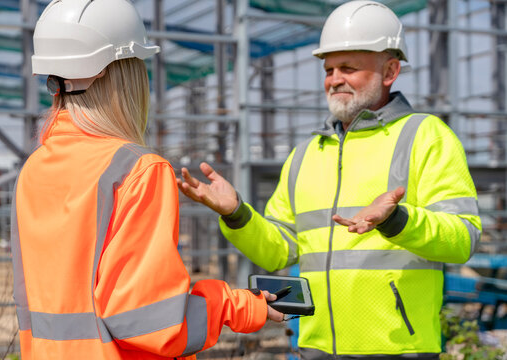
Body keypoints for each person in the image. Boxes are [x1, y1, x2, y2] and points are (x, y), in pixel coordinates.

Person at [177, 1, 482, 359]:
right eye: (329, 68)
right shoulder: (306, 153)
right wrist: (237, 214)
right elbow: (279, 250)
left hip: (400, 349)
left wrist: (398, 221)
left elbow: (463, 237)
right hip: (314, 348)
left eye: (348, 68)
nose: (334, 79)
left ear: (390, 70)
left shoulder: (426, 136)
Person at [10, 0, 283, 359]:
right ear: (120, 74)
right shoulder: (137, 170)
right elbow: (150, 323)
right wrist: (237, 305)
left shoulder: (34, 169)